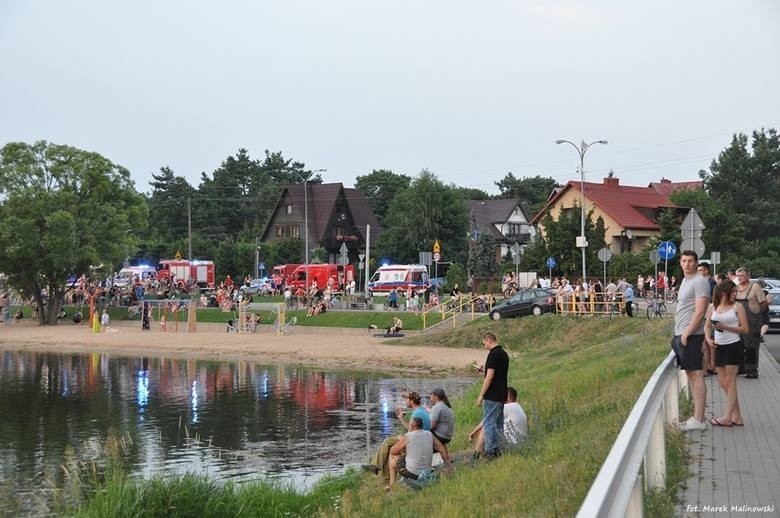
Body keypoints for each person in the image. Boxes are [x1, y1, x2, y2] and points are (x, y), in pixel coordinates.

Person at [673, 250, 711, 432]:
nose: (687, 264)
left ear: (696, 263)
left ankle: (699, 419)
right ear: (680, 263)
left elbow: (700, 312)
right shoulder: (686, 281)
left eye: (690, 261)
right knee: (691, 374)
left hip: (691, 335)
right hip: (681, 333)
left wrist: (687, 334)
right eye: (684, 261)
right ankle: (696, 417)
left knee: (696, 376)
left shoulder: (700, 282)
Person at [704, 280, 747, 427]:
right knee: (723, 383)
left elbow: (745, 329)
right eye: (733, 292)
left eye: (736, 292)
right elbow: (707, 326)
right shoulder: (713, 307)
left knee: (730, 381)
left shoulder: (738, 307)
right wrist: (708, 339)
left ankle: (728, 417)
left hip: (734, 345)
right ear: (724, 292)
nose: (735, 294)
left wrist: (725, 327)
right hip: (719, 347)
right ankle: (737, 416)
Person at [362, 391, 431, 480]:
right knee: (390, 446)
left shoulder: (416, 414)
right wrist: (401, 418)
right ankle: (379, 471)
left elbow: (410, 435)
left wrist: (401, 437)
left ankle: (377, 468)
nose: (405, 401)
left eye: (406, 399)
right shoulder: (421, 411)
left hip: (416, 442)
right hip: (421, 439)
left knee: (388, 443)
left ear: (412, 401)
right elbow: (412, 429)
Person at [387, 416, 451, 490]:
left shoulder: (408, 436)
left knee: (392, 457)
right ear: (422, 425)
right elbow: (441, 448)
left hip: (411, 474)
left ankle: (392, 485)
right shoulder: (429, 434)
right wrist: (448, 464)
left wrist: (403, 447)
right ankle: (394, 484)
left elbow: (392, 451)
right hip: (426, 472)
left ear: (411, 426)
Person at [476, 332, 509, 457]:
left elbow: (489, 377)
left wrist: (481, 395)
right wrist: (484, 370)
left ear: (489, 340)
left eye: (484, 344)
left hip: (492, 395)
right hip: (502, 394)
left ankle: (490, 451)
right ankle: (499, 448)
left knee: (489, 423)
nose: (484, 346)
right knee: (499, 423)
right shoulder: (503, 354)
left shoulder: (492, 354)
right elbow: (497, 373)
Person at [469, 386, 528, 454]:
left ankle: (476, 455)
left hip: (510, 445)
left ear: (507, 397)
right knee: (490, 428)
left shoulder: (506, 407)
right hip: (521, 444)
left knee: (486, 428)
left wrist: (473, 433)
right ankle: (483, 451)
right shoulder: (517, 406)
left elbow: (487, 421)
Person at [734, 267, 768, 379]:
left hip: (753, 322)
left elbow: (764, 303)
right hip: (737, 321)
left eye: (742, 275)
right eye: (738, 275)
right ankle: (741, 368)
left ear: (748, 276)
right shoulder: (736, 288)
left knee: (751, 347)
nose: (739, 278)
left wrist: (756, 314)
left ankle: (752, 370)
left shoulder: (755, 287)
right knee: (738, 345)